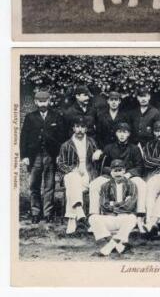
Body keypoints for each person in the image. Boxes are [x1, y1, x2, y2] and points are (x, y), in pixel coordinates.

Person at [88, 122, 146, 232]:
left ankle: (140, 218)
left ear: (129, 134)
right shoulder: (109, 147)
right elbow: (103, 166)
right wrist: (112, 172)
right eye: (119, 132)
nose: (122, 135)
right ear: (116, 133)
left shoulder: (134, 148)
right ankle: (94, 217)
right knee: (94, 185)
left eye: (125, 132)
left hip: (129, 175)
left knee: (142, 184)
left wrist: (128, 174)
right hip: (111, 175)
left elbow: (139, 167)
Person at [20, 90, 65, 223]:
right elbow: (23, 138)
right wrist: (24, 156)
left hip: (50, 155)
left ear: (49, 101)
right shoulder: (30, 117)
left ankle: (48, 213)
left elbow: (61, 138)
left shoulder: (56, 117)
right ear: (36, 102)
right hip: (34, 156)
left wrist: (59, 155)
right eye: (40, 101)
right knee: (34, 184)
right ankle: (35, 212)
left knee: (49, 185)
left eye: (45, 101)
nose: (43, 104)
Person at [57, 116, 102, 234]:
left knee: (72, 190)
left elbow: (99, 154)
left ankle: (72, 218)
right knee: (74, 179)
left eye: (82, 127)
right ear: (73, 128)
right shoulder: (66, 145)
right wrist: (74, 169)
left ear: (86, 129)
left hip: (88, 174)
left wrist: (99, 152)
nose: (80, 130)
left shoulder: (91, 142)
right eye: (77, 127)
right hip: (71, 174)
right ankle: (78, 211)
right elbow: (61, 164)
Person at [89, 159, 138, 256]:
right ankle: (118, 246)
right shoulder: (105, 186)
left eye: (120, 170)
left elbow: (130, 205)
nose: (118, 173)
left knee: (132, 218)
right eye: (115, 171)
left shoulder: (131, 185)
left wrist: (113, 204)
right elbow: (103, 205)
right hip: (110, 217)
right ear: (111, 172)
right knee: (93, 218)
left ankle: (109, 246)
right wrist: (121, 203)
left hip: (124, 218)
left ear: (124, 171)